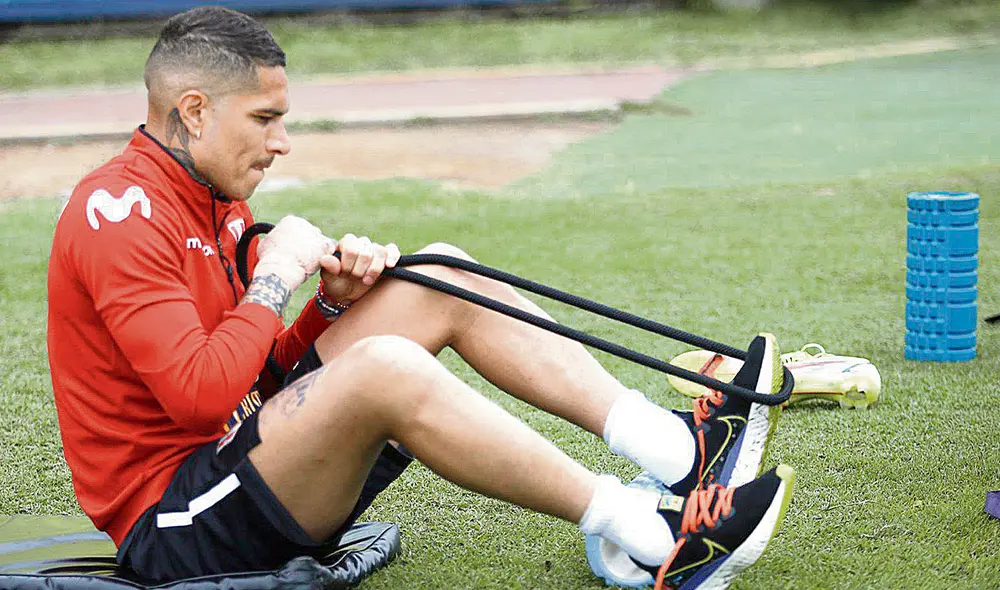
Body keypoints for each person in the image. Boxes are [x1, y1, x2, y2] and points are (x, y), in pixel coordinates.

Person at [46, 6, 794, 589]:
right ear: (196, 110)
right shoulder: (118, 213)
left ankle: (677, 453)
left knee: (439, 274)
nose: (282, 142)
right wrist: (274, 277)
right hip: (178, 523)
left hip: (249, 459)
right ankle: (659, 540)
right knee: (385, 367)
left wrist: (328, 306)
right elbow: (203, 399)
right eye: (265, 120)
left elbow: (256, 379)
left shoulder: (214, 195)